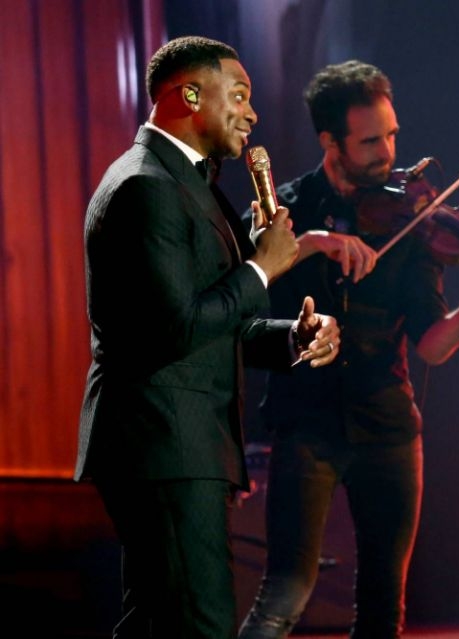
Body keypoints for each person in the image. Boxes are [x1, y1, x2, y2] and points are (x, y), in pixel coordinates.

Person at [238, 60, 459, 638]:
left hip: (389, 425)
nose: (388, 152)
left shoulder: (415, 221)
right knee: (284, 595)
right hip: (307, 424)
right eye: (370, 140)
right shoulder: (285, 210)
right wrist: (318, 242)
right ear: (329, 140)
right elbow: (243, 278)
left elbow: (435, 346)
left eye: (391, 134)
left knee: (382, 609)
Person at [74, 36, 340, 639]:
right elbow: (176, 330)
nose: (252, 113)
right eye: (239, 95)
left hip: (178, 441)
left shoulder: (188, 182)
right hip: (163, 441)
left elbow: (214, 325)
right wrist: (261, 268)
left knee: (158, 623)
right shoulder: (145, 186)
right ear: (189, 94)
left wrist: (292, 338)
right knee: (199, 626)